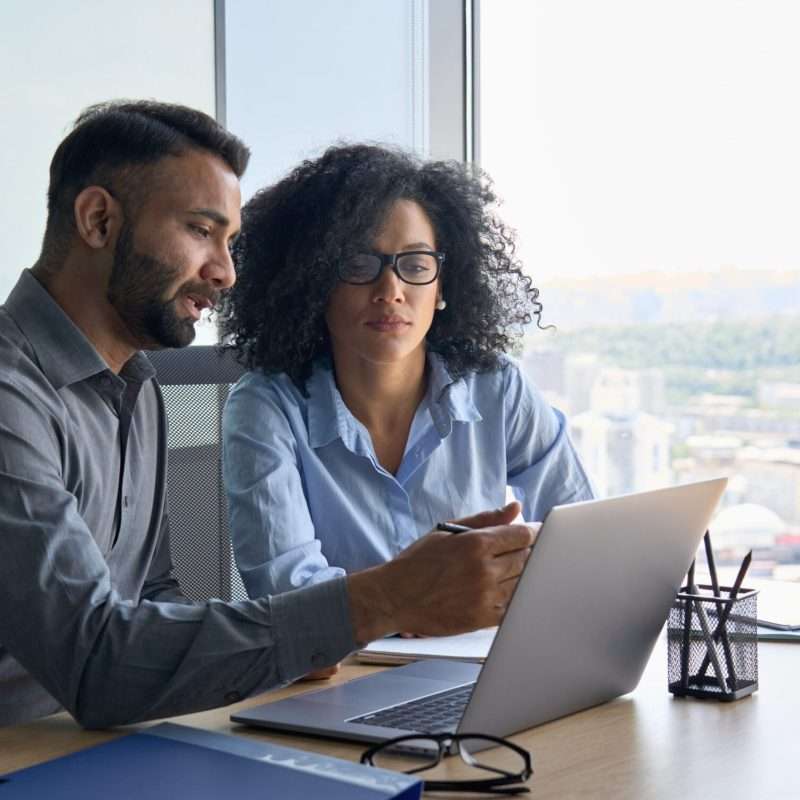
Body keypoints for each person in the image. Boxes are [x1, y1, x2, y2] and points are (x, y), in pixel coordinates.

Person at [0, 102, 536, 728]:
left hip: (104, 743)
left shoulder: (135, 387)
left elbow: (156, 597)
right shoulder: (13, 397)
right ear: (97, 220)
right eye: (201, 232)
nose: (226, 272)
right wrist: (384, 599)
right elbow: (95, 661)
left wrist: (284, 644)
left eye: (228, 242)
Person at [221, 144, 593, 603]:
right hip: (340, 670)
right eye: (359, 264)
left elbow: (582, 536)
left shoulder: (496, 387)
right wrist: (416, 602)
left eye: (416, 265)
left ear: (442, 287)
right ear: (315, 282)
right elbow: (289, 597)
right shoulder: (266, 407)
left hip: (480, 659)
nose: (391, 290)